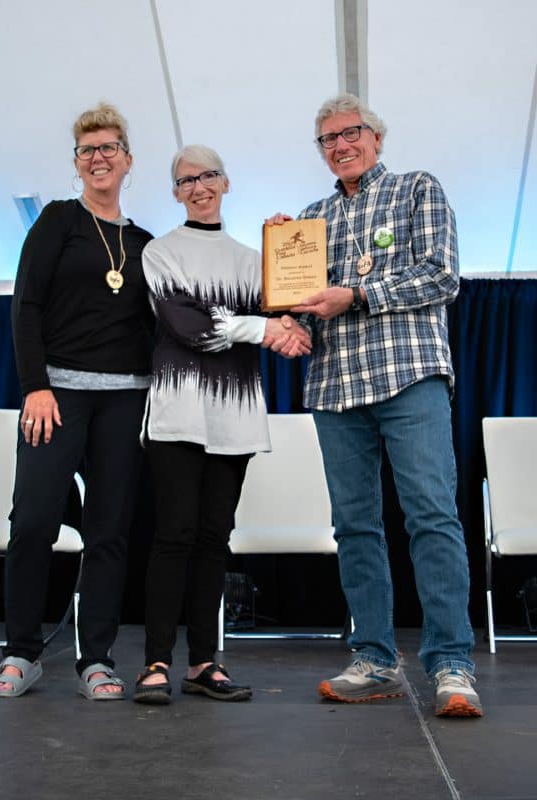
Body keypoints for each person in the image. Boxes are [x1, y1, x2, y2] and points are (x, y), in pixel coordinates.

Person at [267, 93, 481, 718]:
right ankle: (375, 659)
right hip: (335, 387)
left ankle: (452, 665)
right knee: (354, 526)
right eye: (328, 139)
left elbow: (441, 275)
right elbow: (307, 303)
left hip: (409, 376)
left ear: (376, 138)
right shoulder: (310, 219)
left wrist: (357, 295)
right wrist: (289, 307)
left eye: (351, 133)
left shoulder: (418, 189)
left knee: (432, 515)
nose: (341, 145)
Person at [0, 103, 155, 700]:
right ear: (77, 163)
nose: (98, 157)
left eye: (109, 148)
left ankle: (97, 660)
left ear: (128, 160)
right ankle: (21, 653)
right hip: (56, 397)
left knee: (109, 531)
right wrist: (35, 385)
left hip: (125, 401)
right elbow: (26, 305)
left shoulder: (144, 243)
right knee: (33, 521)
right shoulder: (58, 221)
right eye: (88, 150)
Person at [133, 144, 311, 704]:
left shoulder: (252, 260)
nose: (199, 186)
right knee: (174, 536)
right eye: (186, 179)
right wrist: (262, 329)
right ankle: (156, 663)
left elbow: (293, 308)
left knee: (214, 539)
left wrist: (287, 246)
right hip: (177, 414)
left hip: (234, 415)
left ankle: (204, 663)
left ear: (226, 183)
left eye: (208, 175)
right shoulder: (160, 252)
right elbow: (190, 326)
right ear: (175, 192)